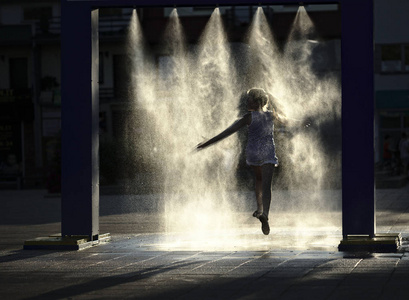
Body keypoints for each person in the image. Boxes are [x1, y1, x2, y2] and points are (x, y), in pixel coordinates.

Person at [196, 88, 293, 235]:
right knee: (267, 185)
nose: (246, 101)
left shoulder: (248, 118)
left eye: (249, 99)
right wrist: (308, 123)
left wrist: (207, 143)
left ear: (257, 101)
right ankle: (265, 213)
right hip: (268, 152)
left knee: (258, 181)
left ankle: (260, 209)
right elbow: (288, 121)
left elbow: (226, 132)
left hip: (254, 153)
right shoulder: (271, 115)